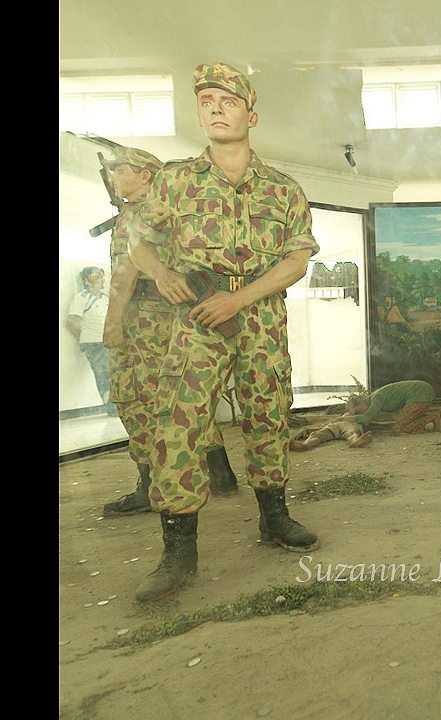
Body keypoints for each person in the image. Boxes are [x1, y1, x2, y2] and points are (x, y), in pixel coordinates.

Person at [128, 63, 320, 602]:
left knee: (267, 413)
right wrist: (161, 272)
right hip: (194, 319)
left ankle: (274, 518)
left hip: (257, 314)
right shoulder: (173, 180)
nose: (215, 107)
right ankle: (177, 552)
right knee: (179, 424)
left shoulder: (283, 189)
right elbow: (137, 240)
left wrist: (238, 297)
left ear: (250, 114)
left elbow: (297, 259)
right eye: (206, 101)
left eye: (226, 101)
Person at [98, 145, 238, 517]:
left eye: (119, 169)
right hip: (170, 317)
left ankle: (151, 486)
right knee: (181, 396)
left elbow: (126, 272)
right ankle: (222, 476)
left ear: (145, 175)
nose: (113, 176)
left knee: (137, 399)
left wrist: (112, 323)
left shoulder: (138, 215)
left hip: (142, 320)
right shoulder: (168, 208)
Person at [290, 380, 441, 452]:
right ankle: (304, 445)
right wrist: (310, 429)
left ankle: (434, 417)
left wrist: (349, 419)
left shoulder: (375, 399)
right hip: (420, 392)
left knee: (398, 429)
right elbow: (327, 426)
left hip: (419, 394)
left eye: (358, 411)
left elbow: (369, 419)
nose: (360, 413)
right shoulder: (371, 402)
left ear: (362, 401)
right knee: (320, 434)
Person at [66, 266, 113, 411]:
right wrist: (83, 340)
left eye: (102, 276)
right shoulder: (82, 297)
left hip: (107, 342)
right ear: (87, 281)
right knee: (103, 374)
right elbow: (72, 321)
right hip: (93, 343)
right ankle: (110, 407)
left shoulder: (106, 298)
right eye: (96, 276)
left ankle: (115, 405)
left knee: (112, 373)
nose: (100, 279)